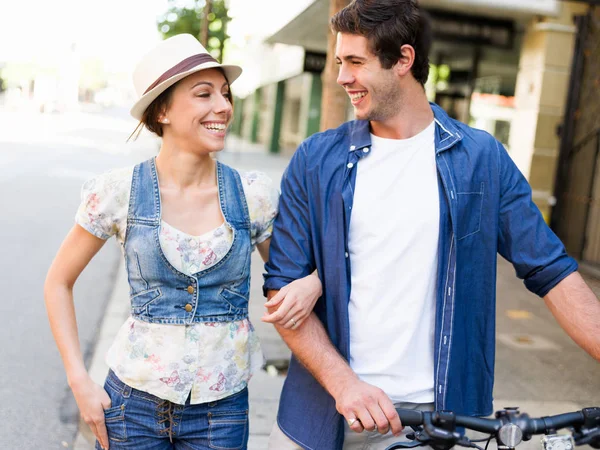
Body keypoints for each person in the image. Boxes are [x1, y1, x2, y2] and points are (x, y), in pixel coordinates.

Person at [261, 1, 600, 449]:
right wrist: (345, 385)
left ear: (403, 59)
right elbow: (281, 288)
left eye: (355, 62)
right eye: (340, 62)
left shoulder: (481, 159)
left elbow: (552, 271)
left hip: (440, 424)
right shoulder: (316, 159)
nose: (342, 77)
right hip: (323, 414)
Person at [44, 34, 322, 450]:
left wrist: (314, 281)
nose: (223, 107)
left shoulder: (252, 195)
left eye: (225, 94)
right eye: (203, 94)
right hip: (130, 406)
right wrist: (78, 379)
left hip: (221, 411)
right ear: (163, 110)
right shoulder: (118, 192)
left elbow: (292, 278)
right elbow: (57, 283)